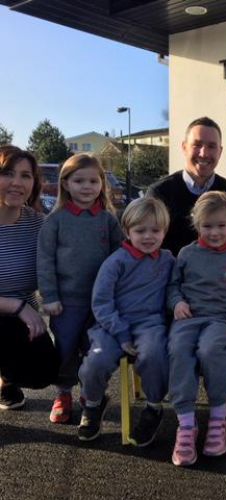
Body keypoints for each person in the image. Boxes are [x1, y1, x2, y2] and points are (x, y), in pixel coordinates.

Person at [167, 191, 226, 467]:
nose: (215, 232)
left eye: (221, 226)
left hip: (221, 321)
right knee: (179, 349)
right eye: (207, 226)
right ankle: (186, 424)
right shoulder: (187, 254)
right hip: (189, 318)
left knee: (211, 349)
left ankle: (218, 417)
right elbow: (173, 286)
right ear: (197, 224)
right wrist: (177, 302)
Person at [78, 197, 175, 443]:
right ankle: (93, 403)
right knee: (95, 362)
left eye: (155, 230)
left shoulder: (168, 261)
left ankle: (154, 406)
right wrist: (120, 333)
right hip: (111, 327)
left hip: (150, 324)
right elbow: (101, 301)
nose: (148, 236)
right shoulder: (116, 262)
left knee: (155, 355)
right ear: (127, 230)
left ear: (164, 231)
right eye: (140, 230)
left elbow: (178, 290)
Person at [37, 154, 123, 424]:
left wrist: (117, 297)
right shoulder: (56, 221)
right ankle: (63, 394)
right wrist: (49, 297)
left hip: (101, 304)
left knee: (94, 350)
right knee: (65, 349)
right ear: (65, 183)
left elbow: (120, 259)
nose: (87, 186)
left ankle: (91, 395)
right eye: (79, 180)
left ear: (102, 184)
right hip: (65, 303)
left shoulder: (109, 221)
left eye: (93, 180)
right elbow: (45, 260)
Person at [0, 146, 59, 410]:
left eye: (26, 175)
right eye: (7, 173)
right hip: (17, 312)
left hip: (19, 322)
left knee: (43, 370)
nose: (17, 182)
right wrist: (17, 306)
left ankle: (6, 379)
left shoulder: (39, 224)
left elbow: (59, 270)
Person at [148, 116, 226, 257]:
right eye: (197, 145)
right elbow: (148, 248)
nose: (204, 153)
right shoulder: (159, 194)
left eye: (212, 146)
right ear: (184, 147)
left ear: (220, 152)